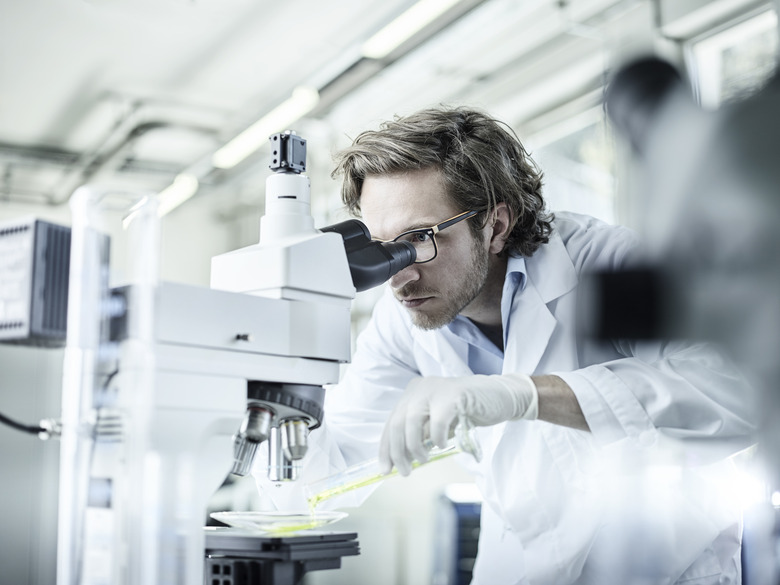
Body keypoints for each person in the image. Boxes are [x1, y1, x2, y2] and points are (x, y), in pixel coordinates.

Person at [265, 106, 757, 584]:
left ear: (496, 225)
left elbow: (737, 392)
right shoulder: (398, 321)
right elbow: (329, 476)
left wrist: (526, 394)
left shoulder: (606, 263)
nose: (401, 274)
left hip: (662, 566)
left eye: (419, 239)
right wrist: (281, 398)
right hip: (518, 564)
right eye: (382, 246)